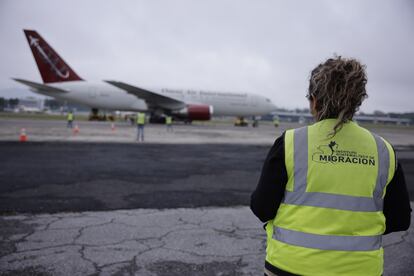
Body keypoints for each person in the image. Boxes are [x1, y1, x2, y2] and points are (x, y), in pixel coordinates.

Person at [251, 56, 411, 276]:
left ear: (314, 101)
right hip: (359, 270)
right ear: (357, 102)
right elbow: (400, 220)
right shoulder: (384, 151)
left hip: (289, 266)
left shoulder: (290, 143)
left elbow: (262, 208)